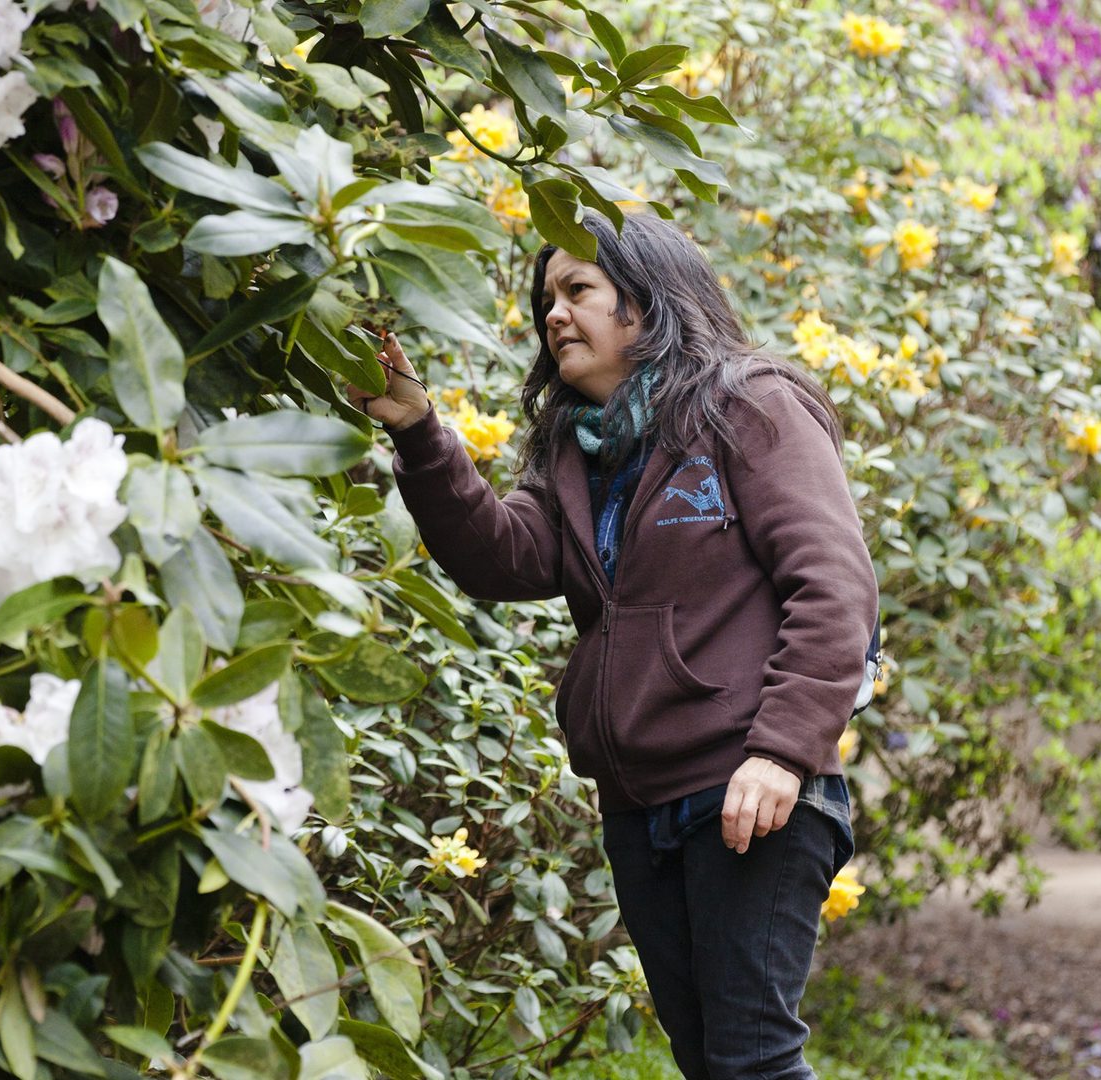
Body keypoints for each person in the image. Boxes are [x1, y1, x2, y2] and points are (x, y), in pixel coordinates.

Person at [346, 210, 877, 1080]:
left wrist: (783, 754)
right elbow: (501, 555)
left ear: (648, 298)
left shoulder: (750, 405)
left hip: (750, 789)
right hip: (642, 806)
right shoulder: (577, 454)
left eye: (578, 289)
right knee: (709, 1060)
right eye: (546, 298)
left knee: (751, 1061)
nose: (554, 313)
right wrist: (416, 429)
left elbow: (835, 587)